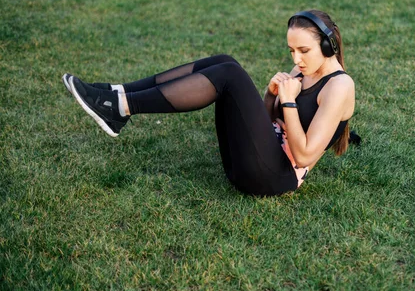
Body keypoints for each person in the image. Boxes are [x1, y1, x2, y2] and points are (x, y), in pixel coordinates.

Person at [63, 10, 355, 196]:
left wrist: (289, 102)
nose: (295, 59)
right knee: (224, 62)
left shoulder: (339, 86)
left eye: (303, 50)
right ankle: (118, 94)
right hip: (250, 161)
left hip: (273, 178)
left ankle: (121, 107)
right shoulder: (302, 69)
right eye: (291, 50)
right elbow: (267, 122)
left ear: (329, 46)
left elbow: (303, 157)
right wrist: (271, 94)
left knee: (230, 74)